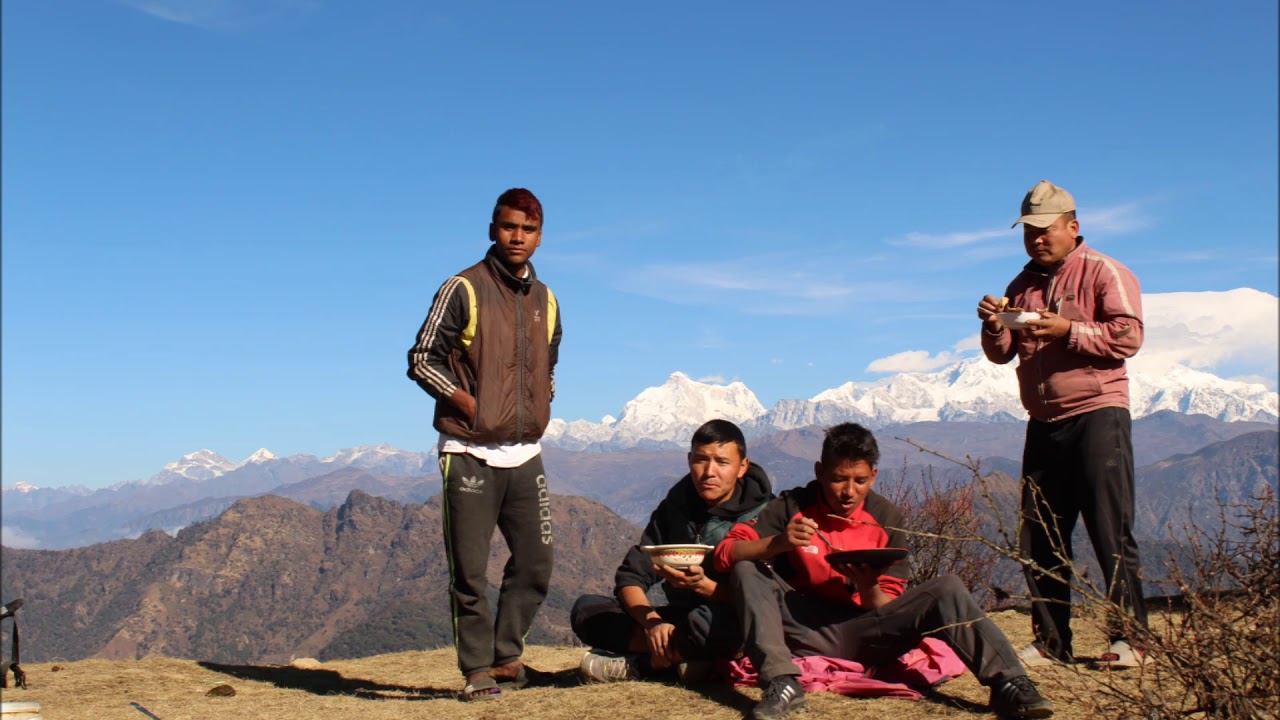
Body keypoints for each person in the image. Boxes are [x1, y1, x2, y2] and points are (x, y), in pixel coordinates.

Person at [714, 423, 1052, 720]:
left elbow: (888, 602)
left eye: (860, 480)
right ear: (819, 471)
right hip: (802, 630)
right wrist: (777, 544)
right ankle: (781, 683)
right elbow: (725, 554)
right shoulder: (793, 506)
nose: (848, 492)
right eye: (837, 479)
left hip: (869, 632)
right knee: (747, 568)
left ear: (873, 476)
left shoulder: (885, 516)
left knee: (947, 587)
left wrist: (869, 585)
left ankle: (1009, 683)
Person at [976, 180, 1149, 670]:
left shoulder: (1104, 272)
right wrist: (994, 324)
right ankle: (1053, 642)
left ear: (1072, 227)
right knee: (1042, 534)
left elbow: (1129, 335)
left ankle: (1131, 640)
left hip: (1098, 414)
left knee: (1109, 527)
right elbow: (1000, 355)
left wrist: (1066, 328)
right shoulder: (1021, 285)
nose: (1036, 239)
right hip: (1043, 420)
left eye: (1045, 230)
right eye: (1029, 231)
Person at [406, 187, 563, 701]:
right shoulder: (463, 288)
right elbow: (421, 358)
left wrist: (537, 407)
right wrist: (472, 405)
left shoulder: (547, 301)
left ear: (540, 237)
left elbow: (549, 366)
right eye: (509, 226)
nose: (518, 237)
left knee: (535, 562)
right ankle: (476, 670)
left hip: (525, 453)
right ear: (492, 229)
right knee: (470, 570)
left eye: (528, 229)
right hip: (468, 451)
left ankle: (506, 657)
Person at [571, 419, 773, 683]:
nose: (709, 472)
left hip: (728, 617)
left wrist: (705, 587)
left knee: (719, 625)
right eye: (701, 460)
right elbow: (632, 575)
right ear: (689, 460)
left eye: (722, 462)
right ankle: (688, 656)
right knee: (587, 610)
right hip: (680, 620)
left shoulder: (766, 516)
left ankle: (646, 665)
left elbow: (771, 601)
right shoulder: (676, 507)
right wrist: (653, 624)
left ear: (741, 467)